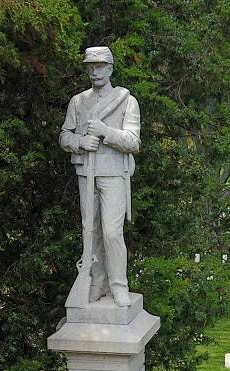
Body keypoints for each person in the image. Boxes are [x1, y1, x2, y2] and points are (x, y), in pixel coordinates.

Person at [59, 46, 140, 307]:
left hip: (114, 173)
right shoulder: (78, 102)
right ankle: (96, 282)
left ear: (110, 68)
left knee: (113, 233)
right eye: (91, 67)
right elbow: (64, 136)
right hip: (87, 173)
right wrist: (82, 142)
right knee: (89, 231)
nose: (95, 71)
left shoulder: (126, 100)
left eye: (100, 66)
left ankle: (119, 286)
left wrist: (106, 131)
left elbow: (133, 142)